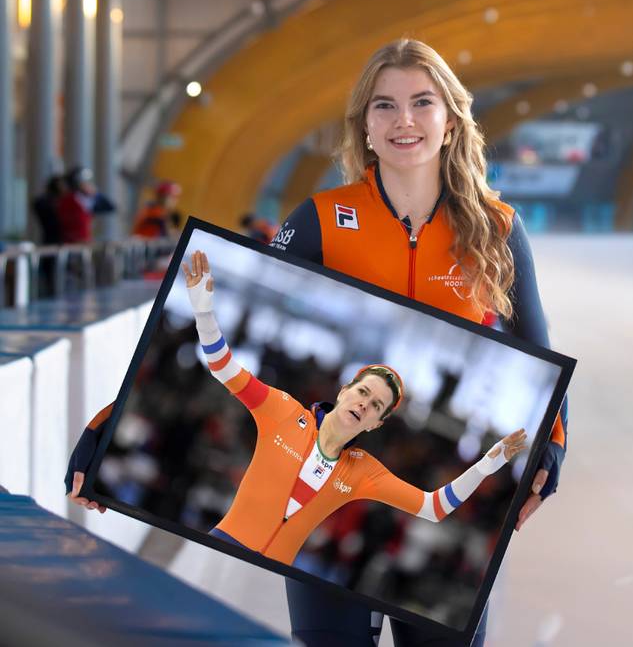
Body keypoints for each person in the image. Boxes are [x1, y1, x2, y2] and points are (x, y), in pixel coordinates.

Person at [67, 38, 569, 646]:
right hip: (310, 539)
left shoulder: (497, 228)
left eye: (421, 102)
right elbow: (216, 356)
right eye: (384, 106)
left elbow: (537, 345)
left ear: (451, 118)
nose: (403, 121)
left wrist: (552, 448)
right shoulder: (319, 219)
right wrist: (105, 425)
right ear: (363, 125)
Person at [181, 249, 526, 566]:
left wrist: (487, 464)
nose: (365, 403)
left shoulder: (363, 471)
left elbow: (434, 507)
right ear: (344, 391)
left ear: (376, 423)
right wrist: (203, 311)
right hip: (219, 548)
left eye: (376, 405)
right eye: (363, 392)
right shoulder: (283, 410)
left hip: (269, 576)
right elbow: (223, 367)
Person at [56, 165, 116, 244]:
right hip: (72, 243)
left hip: (83, 241)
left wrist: (96, 194)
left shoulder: (85, 199)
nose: (88, 185)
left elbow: (110, 207)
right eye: (86, 182)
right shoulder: (70, 200)